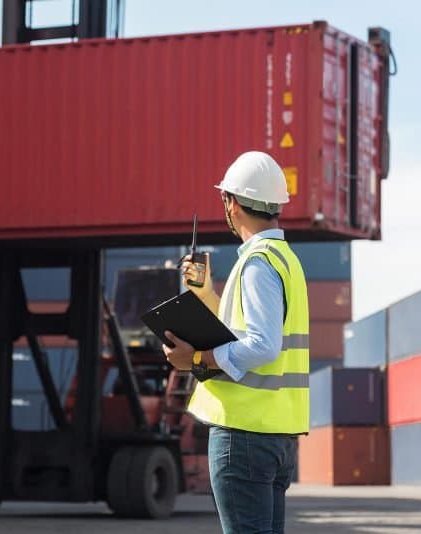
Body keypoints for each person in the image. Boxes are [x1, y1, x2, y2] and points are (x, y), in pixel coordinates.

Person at [163, 151, 310, 534]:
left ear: (231, 203)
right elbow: (247, 335)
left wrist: (193, 358)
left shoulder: (257, 264)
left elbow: (262, 345)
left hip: (243, 435)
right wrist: (206, 295)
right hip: (274, 435)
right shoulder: (284, 261)